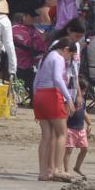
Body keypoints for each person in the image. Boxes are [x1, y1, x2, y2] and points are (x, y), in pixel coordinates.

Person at [31, 39, 75, 181]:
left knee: (46, 136)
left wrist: (35, 101)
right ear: (66, 49)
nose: (68, 59)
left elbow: (36, 82)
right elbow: (57, 78)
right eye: (70, 55)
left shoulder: (44, 58)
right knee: (62, 133)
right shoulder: (58, 58)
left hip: (39, 95)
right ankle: (57, 169)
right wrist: (68, 98)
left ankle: (43, 172)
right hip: (52, 94)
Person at [65, 102, 90, 178]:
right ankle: (66, 171)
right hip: (70, 129)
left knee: (85, 149)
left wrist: (89, 123)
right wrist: (64, 127)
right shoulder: (70, 101)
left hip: (81, 129)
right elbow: (66, 115)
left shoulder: (82, 101)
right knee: (69, 150)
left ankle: (77, 167)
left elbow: (84, 112)